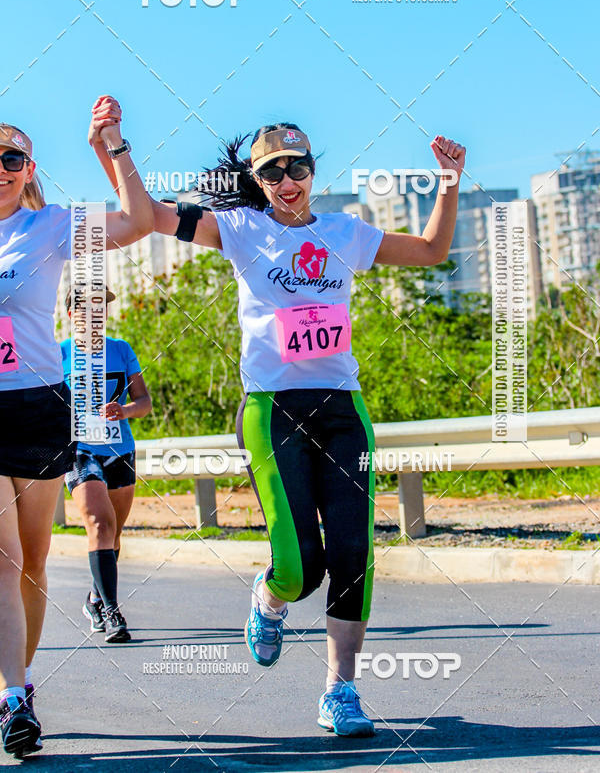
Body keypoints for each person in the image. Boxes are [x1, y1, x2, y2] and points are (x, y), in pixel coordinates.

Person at [92, 98, 465, 738]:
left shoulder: (346, 232)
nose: (287, 181)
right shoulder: (239, 230)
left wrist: (449, 183)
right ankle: (269, 599)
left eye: (298, 167)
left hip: (343, 411)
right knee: (299, 567)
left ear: (313, 171)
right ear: (257, 183)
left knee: (354, 552)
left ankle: (340, 691)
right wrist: (115, 147)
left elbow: (431, 250)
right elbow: (148, 216)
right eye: (272, 173)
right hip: (272, 411)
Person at [0, 102, 153, 758]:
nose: (0, 169)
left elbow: (140, 222)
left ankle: (21, 686)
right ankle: (11, 700)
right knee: (3, 561)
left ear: (28, 169)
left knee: (33, 563)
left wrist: (109, 144)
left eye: (11, 158)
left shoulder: (53, 226)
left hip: (37, 408)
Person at [60, 286, 152, 643]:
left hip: (119, 449)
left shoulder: (121, 350)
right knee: (99, 522)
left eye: (102, 308)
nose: (97, 314)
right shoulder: (59, 356)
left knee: (113, 533)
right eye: (89, 308)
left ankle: (96, 597)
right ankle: (113, 612)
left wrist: (125, 410)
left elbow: (144, 402)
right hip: (79, 451)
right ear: (72, 315)